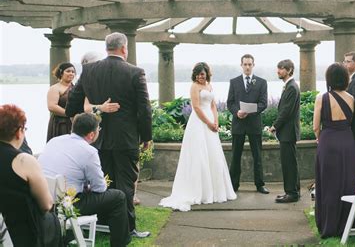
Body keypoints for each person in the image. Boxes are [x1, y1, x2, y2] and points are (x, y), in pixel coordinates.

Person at [66, 32, 152, 238]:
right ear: (124, 48)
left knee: (103, 183)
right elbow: (144, 109)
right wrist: (146, 137)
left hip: (97, 138)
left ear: (106, 48)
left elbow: (71, 108)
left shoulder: (88, 71)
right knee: (126, 184)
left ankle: (104, 224)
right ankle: (127, 229)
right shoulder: (135, 72)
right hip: (126, 138)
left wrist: (96, 112)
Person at [39, 113, 131, 246]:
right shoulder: (89, 151)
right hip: (67, 204)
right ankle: (120, 243)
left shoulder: (54, 141)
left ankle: (69, 235)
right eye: (98, 129)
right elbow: (100, 188)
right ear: (92, 134)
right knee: (118, 197)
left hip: (43, 199)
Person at [159, 62, 237, 211]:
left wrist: (216, 121)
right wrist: (208, 122)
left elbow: (213, 105)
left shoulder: (209, 86)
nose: (201, 77)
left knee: (213, 155)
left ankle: (215, 192)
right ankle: (199, 192)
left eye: (203, 74)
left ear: (207, 74)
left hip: (210, 122)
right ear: (195, 75)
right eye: (199, 74)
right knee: (199, 155)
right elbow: (196, 107)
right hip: (199, 122)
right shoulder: (194, 87)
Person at [0, 104, 61, 246]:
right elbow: (46, 204)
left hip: (3, 227)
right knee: (52, 219)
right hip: (20, 232)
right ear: (19, 132)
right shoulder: (23, 160)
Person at [313, 63, 355, 238]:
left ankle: (328, 224)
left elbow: (316, 126)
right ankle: (347, 223)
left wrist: (321, 137)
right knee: (348, 182)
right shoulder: (352, 98)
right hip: (347, 142)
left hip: (328, 142)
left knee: (328, 184)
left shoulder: (322, 98)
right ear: (346, 78)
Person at [227, 54, 269, 194]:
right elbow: (230, 103)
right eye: (245, 64)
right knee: (235, 156)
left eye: (250, 64)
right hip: (238, 124)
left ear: (253, 65)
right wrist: (236, 112)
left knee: (257, 156)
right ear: (241, 65)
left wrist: (249, 112)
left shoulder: (262, 82)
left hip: (254, 124)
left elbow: (263, 104)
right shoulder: (234, 82)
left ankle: (260, 185)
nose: (247, 67)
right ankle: (233, 185)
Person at [269, 59, 301, 203]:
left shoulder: (292, 87)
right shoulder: (290, 86)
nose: (278, 71)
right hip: (288, 133)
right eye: (278, 68)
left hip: (288, 133)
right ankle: (294, 191)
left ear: (289, 70)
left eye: (281, 68)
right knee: (290, 163)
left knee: (289, 164)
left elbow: (286, 111)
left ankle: (291, 193)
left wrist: (275, 126)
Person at [46, 62, 76, 142]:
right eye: (68, 71)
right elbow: (52, 106)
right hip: (60, 123)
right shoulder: (55, 88)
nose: (71, 73)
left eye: (73, 72)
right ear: (61, 73)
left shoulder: (76, 88)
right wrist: (69, 114)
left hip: (75, 122)